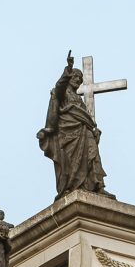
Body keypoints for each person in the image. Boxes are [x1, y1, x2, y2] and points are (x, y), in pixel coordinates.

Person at [37, 55, 108, 197]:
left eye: (81, 79)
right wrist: (68, 69)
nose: (79, 81)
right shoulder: (62, 93)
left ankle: (97, 185)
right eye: (76, 77)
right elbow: (59, 86)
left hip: (85, 129)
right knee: (70, 160)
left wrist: (94, 128)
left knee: (93, 155)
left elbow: (85, 116)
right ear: (70, 78)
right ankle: (70, 185)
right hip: (68, 133)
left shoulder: (79, 99)